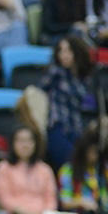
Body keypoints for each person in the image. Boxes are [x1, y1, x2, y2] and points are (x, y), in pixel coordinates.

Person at [39, 36, 92, 167]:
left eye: (68, 50)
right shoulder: (55, 73)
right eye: (60, 51)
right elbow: (40, 89)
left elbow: (90, 104)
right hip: (58, 126)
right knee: (70, 164)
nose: (64, 55)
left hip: (78, 128)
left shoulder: (85, 79)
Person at [0, 126, 56, 214]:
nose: (25, 145)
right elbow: (4, 198)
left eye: (29, 140)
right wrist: (26, 213)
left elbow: (51, 199)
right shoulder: (4, 167)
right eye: (21, 141)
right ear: (13, 143)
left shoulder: (45, 169)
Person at [58, 133, 108, 214]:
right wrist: (82, 202)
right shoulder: (68, 170)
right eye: (91, 152)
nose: (95, 156)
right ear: (83, 152)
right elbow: (65, 202)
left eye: (96, 152)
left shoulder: (106, 169)